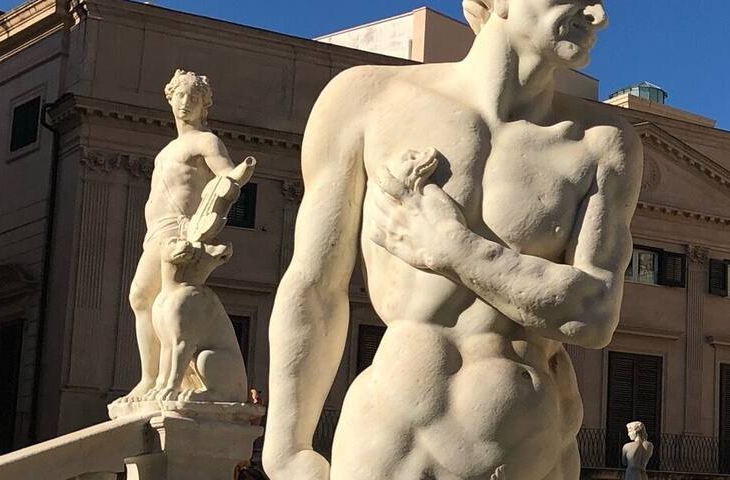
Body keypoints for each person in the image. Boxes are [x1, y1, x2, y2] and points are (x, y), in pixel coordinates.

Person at [261, 0, 641, 478]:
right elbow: (315, 288)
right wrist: (286, 450)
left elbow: (594, 313)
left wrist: (454, 249)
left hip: (527, 449)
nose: (599, 14)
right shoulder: (367, 99)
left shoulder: (602, 143)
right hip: (384, 445)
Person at [121, 70, 254, 404]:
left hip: (178, 230)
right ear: (170, 98)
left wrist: (238, 174)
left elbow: (225, 174)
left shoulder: (205, 141)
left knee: (142, 297)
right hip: (156, 232)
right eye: (180, 96)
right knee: (154, 305)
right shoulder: (166, 150)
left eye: (194, 98)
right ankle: (158, 378)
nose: (186, 103)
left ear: (204, 106)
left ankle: (152, 378)